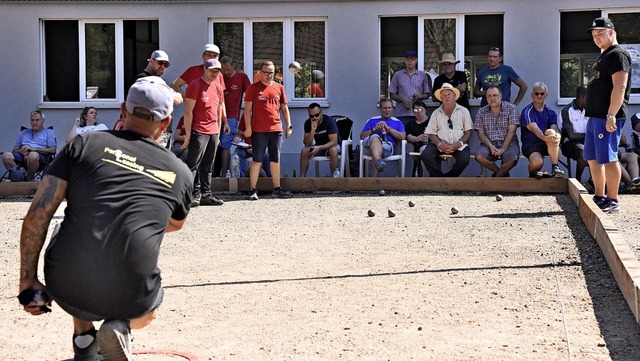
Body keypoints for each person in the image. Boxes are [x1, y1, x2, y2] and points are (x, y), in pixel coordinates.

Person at [18, 76, 193, 360]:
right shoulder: (180, 172)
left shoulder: (84, 144)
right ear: (167, 122)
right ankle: (120, 324)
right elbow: (174, 225)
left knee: (71, 228)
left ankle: (84, 340)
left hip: (66, 285)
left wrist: (28, 281)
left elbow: (37, 216)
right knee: (146, 292)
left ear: (123, 111)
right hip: (132, 292)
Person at [584, 17, 631, 213]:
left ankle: (613, 200)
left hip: (607, 117)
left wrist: (611, 114)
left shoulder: (618, 55)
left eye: (600, 34)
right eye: (594, 35)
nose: (596, 38)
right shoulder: (604, 55)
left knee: (609, 158)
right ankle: (599, 196)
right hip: (595, 116)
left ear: (611, 33)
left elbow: (619, 87)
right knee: (593, 158)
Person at [182, 58, 228, 207]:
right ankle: (192, 195)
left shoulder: (218, 88)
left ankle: (206, 194)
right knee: (193, 165)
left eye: (217, 71)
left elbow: (219, 111)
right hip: (198, 130)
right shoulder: (195, 85)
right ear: (205, 69)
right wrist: (188, 134)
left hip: (213, 131)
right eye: (212, 70)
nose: (215, 73)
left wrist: (219, 133)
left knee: (209, 165)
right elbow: (188, 111)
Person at [244, 60, 293, 200]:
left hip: (276, 129)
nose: (268, 75)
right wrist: (248, 128)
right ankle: (252, 189)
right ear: (259, 73)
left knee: (275, 160)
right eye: (266, 73)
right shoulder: (253, 88)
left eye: (271, 73)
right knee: (257, 160)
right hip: (259, 130)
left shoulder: (279, 87)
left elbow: (284, 108)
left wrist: (288, 125)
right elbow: (247, 110)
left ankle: (277, 189)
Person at [420, 83, 472, 177]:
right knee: (426, 155)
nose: (447, 97)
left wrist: (458, 144)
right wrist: (440, 144)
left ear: (454, 96)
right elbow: (431, 133)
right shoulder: (436, 113)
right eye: (444, 95)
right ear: (441, 98)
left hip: (459, 144)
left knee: (465, 159)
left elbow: (468, 132)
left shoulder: (464, 111)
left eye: (449, 94)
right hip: (440, 143)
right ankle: (440, 178)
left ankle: (449, 178)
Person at [520, 82, 565, 178]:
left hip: (548, 144)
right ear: (532, 95)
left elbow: (555, 128)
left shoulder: (550, 112)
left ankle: (555, 168)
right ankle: (533, 174)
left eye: (542, 93)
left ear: (546, 95)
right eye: (536, 93)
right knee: (537, 163)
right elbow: (534, 129)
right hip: (531, 144)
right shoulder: (527, 111)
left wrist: (558, 136)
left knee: (552, 132)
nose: (539, 96)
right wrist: (545, 138)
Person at [474, 86, 520, 177]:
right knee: (479, 156)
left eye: (495, 95)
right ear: (486, 98)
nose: (492, 98)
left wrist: (503, 148)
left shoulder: (511, 109)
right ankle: (502, 174)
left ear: (501, 96)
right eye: (489, 96)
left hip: (509, 143)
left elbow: (512, 131)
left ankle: (496, 178)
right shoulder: (481, 112)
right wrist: (491, 146)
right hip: (489, 143)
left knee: (512, 158)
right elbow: (481, 134)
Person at [218, 56, 251, 177]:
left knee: (225, 145)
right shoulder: (220, 77)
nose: (226, 72)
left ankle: (224, 174)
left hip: (232, 116)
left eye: (228, 69)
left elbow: (250, 93)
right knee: (216, 144)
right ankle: (216, 173)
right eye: (223, 69)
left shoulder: (241, 77)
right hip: (217, 115)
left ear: (233, 65)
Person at [2, 110, 57, 181]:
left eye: (37, 120)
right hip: (22, 156)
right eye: (32, 120)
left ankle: (29, 178)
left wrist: (34, 149)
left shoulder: (49, 132)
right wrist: (20, 151)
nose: (34, 122)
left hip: (39, 157)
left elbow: (53, 149)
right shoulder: (23, 133)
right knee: (6, 155)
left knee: (33, 155)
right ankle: (20, 175)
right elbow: (15, 149)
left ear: (42, 121)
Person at [359, 98, 406, 177]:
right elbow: (362, 137)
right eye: (384, 108)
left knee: (376, 151)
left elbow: (402, 137)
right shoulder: (372, 121)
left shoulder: (397, 122)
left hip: (386, 147)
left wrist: (389, 129)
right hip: (369, 147)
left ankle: (375, 181)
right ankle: (378, 162)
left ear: (392, 109)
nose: (387, 110)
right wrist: (375, 129)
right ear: (380, 109)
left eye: (389, 108)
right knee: (374, 137)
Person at [388, 50, 432, 126]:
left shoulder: (422, 75)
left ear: (416, 61)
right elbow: (391, 94)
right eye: (408, 59)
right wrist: (402, 99)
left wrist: (420, 96)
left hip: (418, 114)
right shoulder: (397, 75)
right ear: (404, 61)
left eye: (412, 59)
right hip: (402, 113)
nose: (410, 61)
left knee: (418, 137)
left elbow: (427, 94)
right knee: (401, 136)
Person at [299, 103, 341, 177]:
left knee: (333, 150)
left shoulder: (329, 121)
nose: (314, 118)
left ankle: (335, 178)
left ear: (321, 112)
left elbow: (334, 142)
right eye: (311, 116)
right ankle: (302, 179)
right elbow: (307, 144)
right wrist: (312, 130)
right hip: (318, 146)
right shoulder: (308, 123)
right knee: (304, 151)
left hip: (331, 146)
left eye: (317, 115)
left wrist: (319, 147)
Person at [561, 85, 590, 182]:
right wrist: (589, 136)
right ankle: (578, 181)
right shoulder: (566, 111)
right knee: (584, 152)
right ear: (582, 96)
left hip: (586, 141)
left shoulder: (590, 110)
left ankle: (593, 182)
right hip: (569, 143)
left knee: (600, 151)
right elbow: (571, 135)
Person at [405, 100, 430, 176]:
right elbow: (408, 137)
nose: (418, 112)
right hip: (416, 147)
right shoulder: (411, 123)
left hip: (431, 146)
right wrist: (417, 138)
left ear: (425, 110)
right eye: (416, 110)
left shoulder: (432, 121)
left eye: (420, 109)